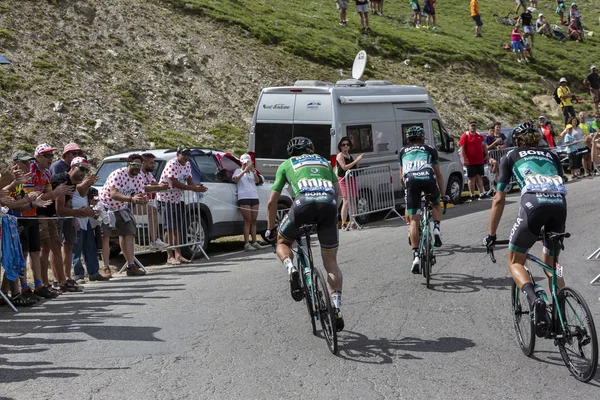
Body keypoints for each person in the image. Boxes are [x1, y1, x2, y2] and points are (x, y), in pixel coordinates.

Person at [484, 122, 567, 339]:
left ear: (517, 140)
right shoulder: (552, 156)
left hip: (533, 205)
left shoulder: (510, 156)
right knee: (554, 264)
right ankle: (563, 314)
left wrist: (492, 234)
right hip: (559, 206)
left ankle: (534, 298)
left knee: (515, 261)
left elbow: (499, 198)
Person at [265, 136, 344, 332]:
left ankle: (291, 268)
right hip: (328, 204)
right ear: (311, 149)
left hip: (302, 205)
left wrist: (269, 229)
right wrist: (335, 213)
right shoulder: (325, 161)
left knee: (282, 241)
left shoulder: (286, 164)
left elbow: (271, 202)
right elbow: (339, 193)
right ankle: (336, 306)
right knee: (331, 263)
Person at [399, 126, 449, 274]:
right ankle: (436, 229)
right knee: (435, 203)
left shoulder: (402, 151)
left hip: (411, 180)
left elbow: (401, 177)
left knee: (414, 220)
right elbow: (438, 174)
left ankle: (415, 256)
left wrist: (406, 191)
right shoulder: (430, 148)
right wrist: (443, 194)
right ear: (422, 137)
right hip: (427, 176)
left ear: (408, 139)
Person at [53, 157, 107, 283]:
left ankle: (68, 278)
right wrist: (78, 213)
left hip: (74, 215)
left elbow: (75, 199)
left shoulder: (72, 182)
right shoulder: (63, 180)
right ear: (72, 167)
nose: (83, 172)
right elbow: (60, 209)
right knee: (61, 248)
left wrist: (88, 185)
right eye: (81, 168)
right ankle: (68, 278)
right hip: (57, 215)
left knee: (77, 245)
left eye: (86, 170)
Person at [98, 153, 148, 276]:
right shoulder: (118, 174)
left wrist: (143, 199)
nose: (137, 167)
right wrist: (131, 199)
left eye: (140, 165)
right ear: (128, 164)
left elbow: (140, 194)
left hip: (121, 207)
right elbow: (114, 194)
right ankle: (106, 267)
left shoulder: (139, 177)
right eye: (135, 164)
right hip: (106, 206)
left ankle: (131, 266)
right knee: (106, 237)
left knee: (129, 233)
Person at [156, 145, 207, 265]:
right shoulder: (172, 164)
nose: (186, 157)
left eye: (188, 154)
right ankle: (169, 256)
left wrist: (196, 187)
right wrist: (192, 189)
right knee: (169, 228)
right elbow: (175, 183)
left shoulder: (188, 164)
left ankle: (178, 255)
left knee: (178, 228)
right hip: (165, 199)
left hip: (177, 200)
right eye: (184, 154)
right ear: (178, 154)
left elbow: (189, 179)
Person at [50, 143, 84, 292]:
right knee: (55, 246)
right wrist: (79, 213)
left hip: (68, 211)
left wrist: (74, 214)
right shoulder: (58, 169)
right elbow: (59, 203)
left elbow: (74, 195)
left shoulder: (75, 175)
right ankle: (58, 280)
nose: (77, 155)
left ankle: (67, 277)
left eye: (79, 153)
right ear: (66, 155)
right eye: (74, 153)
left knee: (69, 244)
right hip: (53, 213)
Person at [139, 153, 169, 250]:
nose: (153, 165)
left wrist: (161, 185)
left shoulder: (148, 173)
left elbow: (155, 184)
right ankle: (154, 240)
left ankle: (154, 240)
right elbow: (143, 187)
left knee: (153, 212)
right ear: (143, 163)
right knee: (153, 212)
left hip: (144, 202)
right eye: (151, 163)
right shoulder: (138, 173)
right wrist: (159, 187)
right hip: (131, 203)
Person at [233, 154, 261, 251]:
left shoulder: (252, 172)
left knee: (254, 221)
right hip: (244, 197)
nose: (246, 164)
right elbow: (235, 179)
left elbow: (257, 181)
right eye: (245, 162)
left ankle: (254, 241)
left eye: (248, 162)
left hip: (254, 196)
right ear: (241, 162)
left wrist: (253, 172)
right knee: (247, 220)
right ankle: (246, 243)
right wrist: (244, 171)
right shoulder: (238, 171)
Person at [336, 136, 363, 231]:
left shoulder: (349, 155)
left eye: (347, 144)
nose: (345, 146)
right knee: (346, 201)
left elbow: (355, 167)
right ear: (340, 146)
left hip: (351, 179)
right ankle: (343, 223)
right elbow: (344, 167)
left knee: (353, 200)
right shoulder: (340, 155)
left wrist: (357, 162)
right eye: (343, 145)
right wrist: (356, 161)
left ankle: (353, 222)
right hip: (343, 179)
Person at [459, 120, 489, 201]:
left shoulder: (479, 135)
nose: (473, 127)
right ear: (468, 126)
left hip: (479, 160)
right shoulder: (465, 135)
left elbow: (483, 146)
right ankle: (472, 195)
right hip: (470, 161)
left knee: (479, 177)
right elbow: (462, 148)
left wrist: (487, 154)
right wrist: (464, 159)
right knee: (471, 178)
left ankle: (481, 193)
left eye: (474, 125)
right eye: (472, 125)